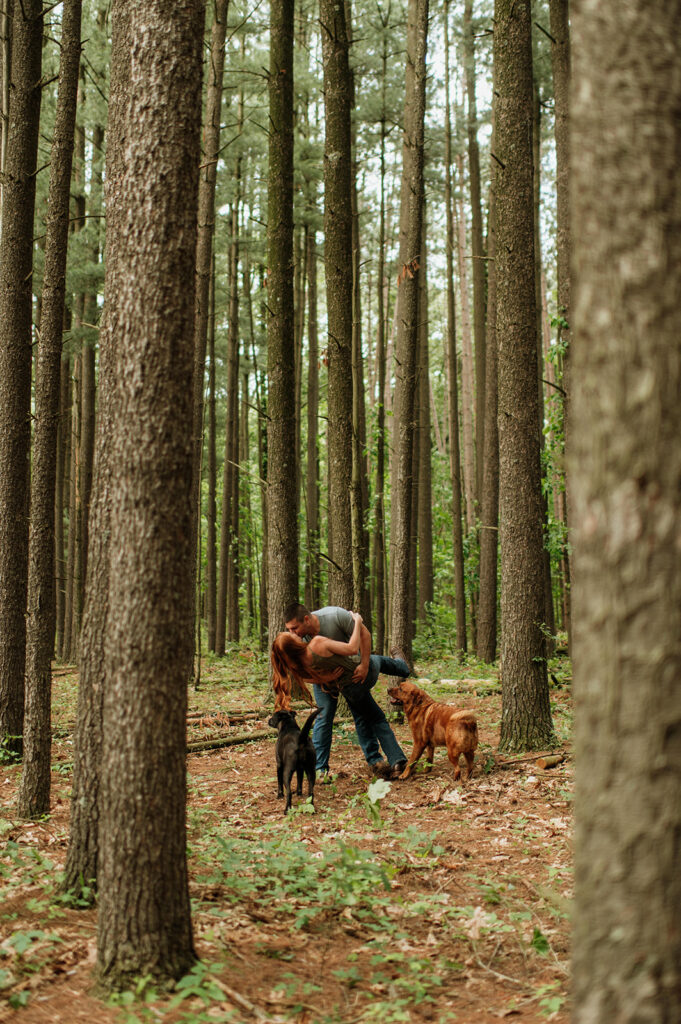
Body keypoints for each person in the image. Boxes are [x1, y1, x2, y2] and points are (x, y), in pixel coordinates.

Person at [278, 602, 410, 779]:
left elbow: (364, 635)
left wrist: (363, 665)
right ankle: (320, 769)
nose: (293, 633)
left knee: (363, 706)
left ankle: (376, 761)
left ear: (307, 619)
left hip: (352, 673)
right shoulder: (300, 645)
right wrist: (325, 679)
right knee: (325, 718)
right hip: (327, 680)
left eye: (294, 628)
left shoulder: (334, 616)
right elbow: (299, 674)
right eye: (289, 630)